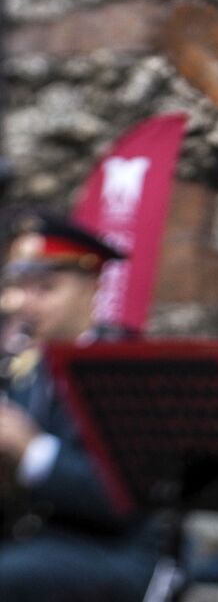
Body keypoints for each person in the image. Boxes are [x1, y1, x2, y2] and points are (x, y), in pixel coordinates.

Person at [0, 212, 159, 602]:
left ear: (93, 286)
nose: (27, 304)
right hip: (36, 542)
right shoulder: (26, 368)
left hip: (110, 550)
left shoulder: (124, 368)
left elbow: (121, 499)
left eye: (46, 289)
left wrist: (29, 449)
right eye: (21, 289)